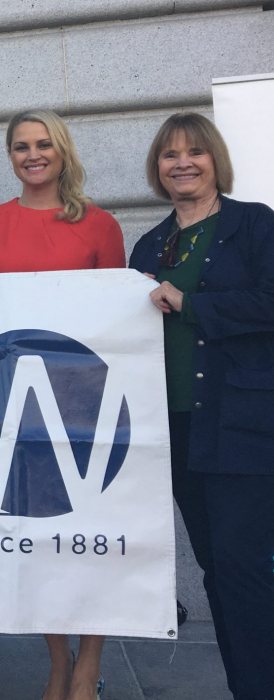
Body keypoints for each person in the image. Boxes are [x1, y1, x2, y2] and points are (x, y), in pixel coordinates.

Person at [0, 110, 124, 700]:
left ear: (61, 151)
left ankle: (91, 659)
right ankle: (57, 661)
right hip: (14, 405)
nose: (32, 155)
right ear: (9, 157)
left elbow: (117, 318)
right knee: (38, 541)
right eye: (19, 147)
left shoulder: (101, 225)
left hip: (83, 401)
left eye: (42, 145)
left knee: (91, 533)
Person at [130, 113, 274, 700]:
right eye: (169, 154)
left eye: (195, 152)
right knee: (218, 569)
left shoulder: (254, 225)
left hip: (241, 422)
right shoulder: (148, 243)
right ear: (157, 168)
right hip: (179, 429)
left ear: (215, 159)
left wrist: (190, 303)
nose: (182, 163)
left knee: (244, 570)